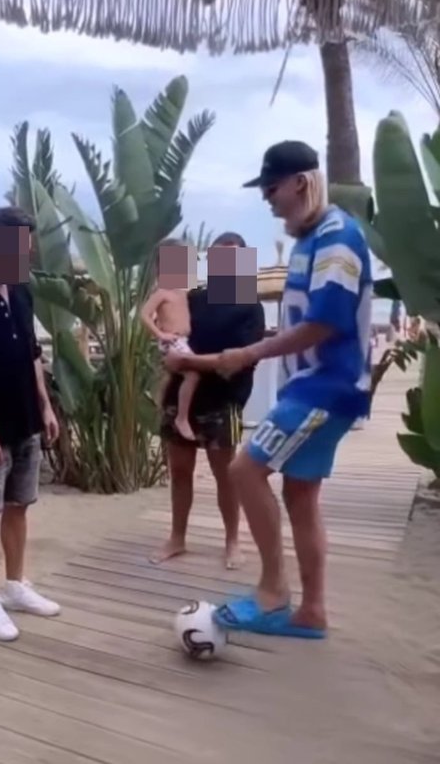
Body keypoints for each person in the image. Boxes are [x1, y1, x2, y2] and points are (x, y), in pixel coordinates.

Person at [175, 142, 373, 638]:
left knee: (245, 470)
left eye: (271, 188)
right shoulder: (309, 241)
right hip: (310, 389)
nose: (266, 199)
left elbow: (324, 323)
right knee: (300, 495)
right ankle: (312, 612)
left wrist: (247, 354)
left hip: (325, 389)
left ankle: (272, 592)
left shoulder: (337, 238)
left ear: (300, 183)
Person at [0, 207, 61, 642]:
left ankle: (16, 585)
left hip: (26, 420)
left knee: (19, 505)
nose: (25, 259)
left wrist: (46, 407)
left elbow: (33, 353)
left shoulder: (20, 291)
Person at [151, 231, 265, 569]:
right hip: (182, 398)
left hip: (223, 401)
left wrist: (189, 362)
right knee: (179, 472)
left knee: (225, 475)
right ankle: (177, 538)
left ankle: (232, 541)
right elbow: (171, 332)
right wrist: (168, 356)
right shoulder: (193, 297)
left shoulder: (250, 305)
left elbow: (241, 360)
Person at [141, 239, 200, 441]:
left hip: (182, 339)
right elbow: (144, 315)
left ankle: (160, 403)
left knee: (171, 376)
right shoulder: (162, 293)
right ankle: (182, 418)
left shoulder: (183, 292)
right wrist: (160, 334)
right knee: (193, 374)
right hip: (172, 340)